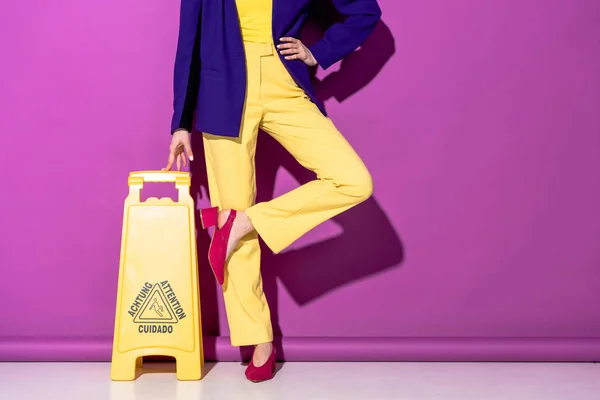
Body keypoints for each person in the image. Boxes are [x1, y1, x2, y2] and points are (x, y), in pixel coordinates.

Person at [164, 0, 381, 382]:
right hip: (223, 88)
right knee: (233, 208)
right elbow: (189, 43)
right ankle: (258, 342)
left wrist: (320, 53)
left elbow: (365, 10)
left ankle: (244, 221)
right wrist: (180, 123)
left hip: (284, 81)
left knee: (352, 180)